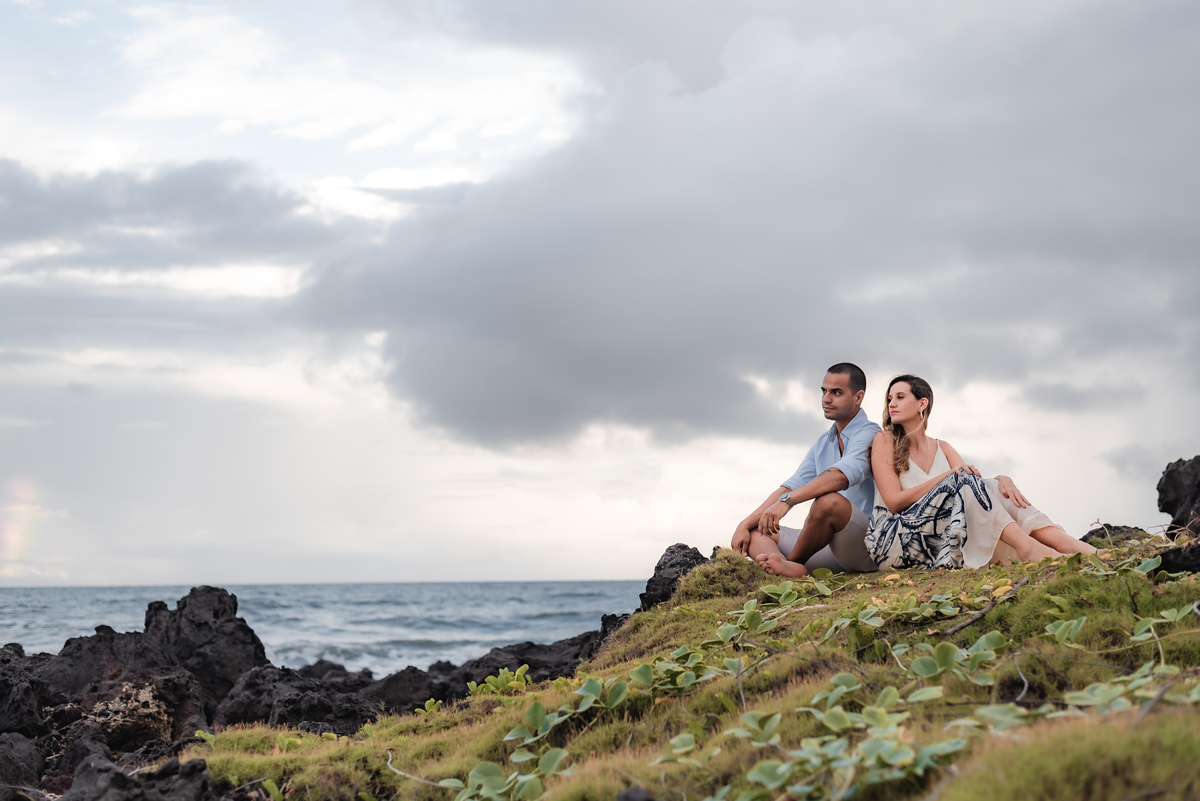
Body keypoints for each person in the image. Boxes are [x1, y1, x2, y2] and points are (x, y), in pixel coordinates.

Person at [863, 374, 1097, 569]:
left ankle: (1066, 544)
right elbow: (893, 502)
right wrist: (946, 476)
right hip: (896, 541)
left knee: (992, 487)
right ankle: (1027, 547)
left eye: (900, 397)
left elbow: (975, 490)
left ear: (921, 404)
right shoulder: (884, 440)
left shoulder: (942, 447)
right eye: (890, 398)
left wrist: (1002, 479)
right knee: (960, 478)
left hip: (942, 537)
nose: (891, 403)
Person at [731, 363, 882, 578]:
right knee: (758, 531)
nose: (826, 399)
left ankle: (792, 564)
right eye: (824, 391)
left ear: (858, 397)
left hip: (864, 545)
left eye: (836, 392)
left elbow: (842, 476)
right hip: (826, 547)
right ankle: (783, 567)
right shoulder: (823, 442)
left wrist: (788, 502)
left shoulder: (871, 433)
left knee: (829, 501)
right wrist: (744, 525)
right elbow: (788, 487)